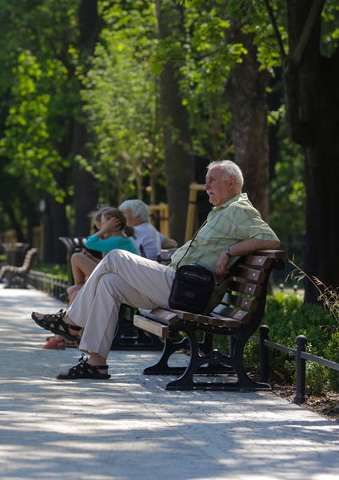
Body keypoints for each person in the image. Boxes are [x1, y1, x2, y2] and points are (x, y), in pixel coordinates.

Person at [33, 160, 280, 379]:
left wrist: (229, 252)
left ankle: (71, 321)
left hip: (189, 291)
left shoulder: (239, 209)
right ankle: (96, 364)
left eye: (211, 181)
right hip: (179, 286)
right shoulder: (221, 212)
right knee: (109, 283)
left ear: (232, 181)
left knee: (117, 257)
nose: (206, 187)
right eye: (206, 182)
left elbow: (271, 240)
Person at [66, 207, 138, 305]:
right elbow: (107, 264)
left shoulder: (117, 241)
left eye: (104, 224)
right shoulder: (118, 240)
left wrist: (104, 230)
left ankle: (80, 287)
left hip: (120, 282)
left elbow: (89, 243)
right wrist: (91, 258)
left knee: (76, 257)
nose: (101, 228)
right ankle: (71, 317)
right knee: (74, 292)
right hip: (117, 278)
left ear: (113, 225)